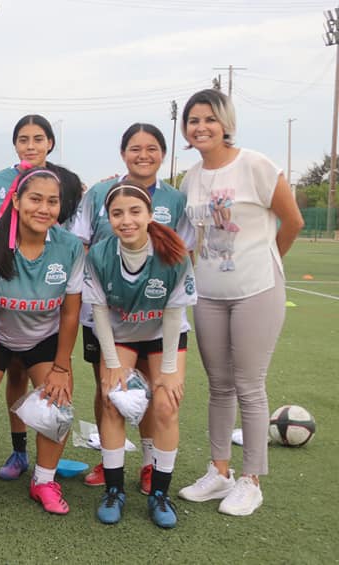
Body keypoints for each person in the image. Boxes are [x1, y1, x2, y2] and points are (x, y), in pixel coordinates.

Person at [175, 89, 303, 517]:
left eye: (209, 119)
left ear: (225, 122)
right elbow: (193, 241)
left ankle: (251, 480)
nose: (201, 127)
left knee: (249, 384)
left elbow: (293, 221)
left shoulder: (255, 164)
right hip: (209, 294)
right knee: (219, 385)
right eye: (193, 121)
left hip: (257, 291)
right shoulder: (190, 177)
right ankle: (219, 471)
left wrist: (265, 263)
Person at [69, 123, 194, 492]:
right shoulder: (99, 194)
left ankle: (151, 464)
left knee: (160, 394)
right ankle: (110, 465)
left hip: (157, 316)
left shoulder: (176, 200)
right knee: (110, 390)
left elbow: (182, 254)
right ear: (123, 153)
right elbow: (81, 244)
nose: (143, 155)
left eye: (152, 148)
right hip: (109, 314)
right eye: (135, 148)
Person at [0, 165, 84, 512]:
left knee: (58, 405)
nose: (43, 208)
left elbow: (70, 312)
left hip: (43, 338)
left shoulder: (70, 247)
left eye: (52, 202)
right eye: (35, 199)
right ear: (16, 200)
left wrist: (62, 367)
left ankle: (44, 482)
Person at [83, 182, 197, 528]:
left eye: (135, 212)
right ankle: (115, 491)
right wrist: (113, 366)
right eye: (117, 213)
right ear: (109, 218)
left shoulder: (173, 253)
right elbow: (99, 313)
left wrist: (166, 372)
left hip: (164, 334)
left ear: (149, 215)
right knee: (111, 399)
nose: (126, 220)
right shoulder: (100, 255)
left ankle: (160, 494)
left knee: (166, 404)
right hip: (121, 336)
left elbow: (175, 314)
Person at [0, 114, 83, 481]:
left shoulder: (68, 181)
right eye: (23, 139)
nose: (31, 145)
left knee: (53, 387)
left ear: (50, 143)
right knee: (13, 378)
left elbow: (70, 230)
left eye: (38, 138)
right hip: (7, 289)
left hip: (47, 293)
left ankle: (46, 470)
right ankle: (18, 451)